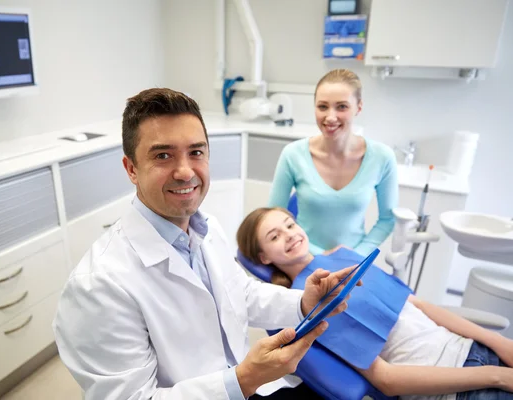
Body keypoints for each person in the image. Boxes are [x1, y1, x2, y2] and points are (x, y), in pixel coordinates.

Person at [52, 88, 358, 400]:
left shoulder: (208, 228)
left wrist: (302, 303)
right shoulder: (98, 286)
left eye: (196, 152)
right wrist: (243, 380)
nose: (185, 171)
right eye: (163, 155)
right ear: (132, 169)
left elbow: (240, 293)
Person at [236, 206, 513, 400]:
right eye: (275, 236)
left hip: (474, 350)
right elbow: (386, 380)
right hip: (454, 387)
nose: (289, 235)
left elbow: (419, 306)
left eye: (289, 225)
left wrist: (501, 344)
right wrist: (499, 377)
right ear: (264, 258)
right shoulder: (303, 306)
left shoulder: (345, 254)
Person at [268, 68, 397, 257]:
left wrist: (356, 255)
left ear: (358, 107)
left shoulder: (382, 157)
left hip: (354, 261)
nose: (330, 116)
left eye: (342, 107)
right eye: (322, 107)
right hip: (303, 257)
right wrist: (320, 254)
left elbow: (388, 219)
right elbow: (273, 216)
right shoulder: (292, 155)